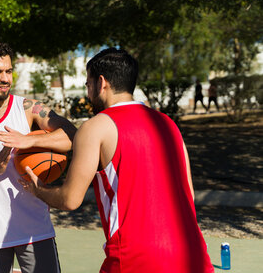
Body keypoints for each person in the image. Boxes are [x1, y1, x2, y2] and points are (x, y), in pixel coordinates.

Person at [20, 48, 214, 273]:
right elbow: (188, 194)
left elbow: (69, 199)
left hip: (135, 258)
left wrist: (39, 189)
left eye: (88, 84)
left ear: (101, 83)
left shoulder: (95, 127)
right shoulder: (168, 125)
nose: (88, 91)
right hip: (193, 254)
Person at [0, 41, 77, 273]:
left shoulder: (28, 108)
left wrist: (30, 140)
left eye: (8, 71)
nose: (5, 78)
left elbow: (72, 136)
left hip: (35, 230)